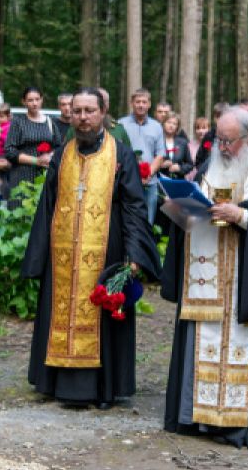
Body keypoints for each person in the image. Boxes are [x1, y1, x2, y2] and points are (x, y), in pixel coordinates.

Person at [162, 106, 248, 448]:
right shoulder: (211, 167)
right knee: (200, 340)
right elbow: (197, 211)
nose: (220, 147)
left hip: (245, 283)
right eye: (217, 140)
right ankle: (198, 417)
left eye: (228, 141)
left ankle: (238, 423)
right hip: (207, 279)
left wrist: (243, 216)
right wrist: (180, 207)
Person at [20, 88, 161, 408]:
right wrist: (39, 256)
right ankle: (55, 382)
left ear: (103, 112)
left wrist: (135, 255)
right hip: (62, 255)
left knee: (102, 319)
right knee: (59, 313)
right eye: (78, 111)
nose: (82, 118)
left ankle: (103, 389)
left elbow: (134, 208)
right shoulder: (62, 153)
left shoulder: (120, 154)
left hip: (105, 251)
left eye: (89, 111)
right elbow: (47, 206)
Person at [118, 88, 167, 224]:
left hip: (149, 183)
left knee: (148, 222)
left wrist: (147, 174)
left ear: (149, 104)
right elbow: (117, 152)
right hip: (126, 181)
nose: (141, 105)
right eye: (137, 102)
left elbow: (160, 155)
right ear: (132, 103)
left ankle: (145, 246)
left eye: (144, 102)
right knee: (126, 220)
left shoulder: (157, 126)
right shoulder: (121, 124)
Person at [4, 86, 60, 198]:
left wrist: (49, 156)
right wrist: (36, 161)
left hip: (44, 176)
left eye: (37, 99)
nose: (34, 103)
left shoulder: (50, 122)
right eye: (30, 100)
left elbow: (58, 147)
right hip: (21, 177)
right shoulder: (18, 122)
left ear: (42, 100)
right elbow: (9, 150)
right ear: (24, 102)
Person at [160, 114, 194, 179]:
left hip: (178, 181)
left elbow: (190, 165)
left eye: (174, 124)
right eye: (169, 122)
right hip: (159, 181)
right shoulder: (157, 141)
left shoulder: (183, 143)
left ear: (177, 127)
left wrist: (179, 168)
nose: (171, 125)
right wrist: (160, 165)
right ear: (163, 124)